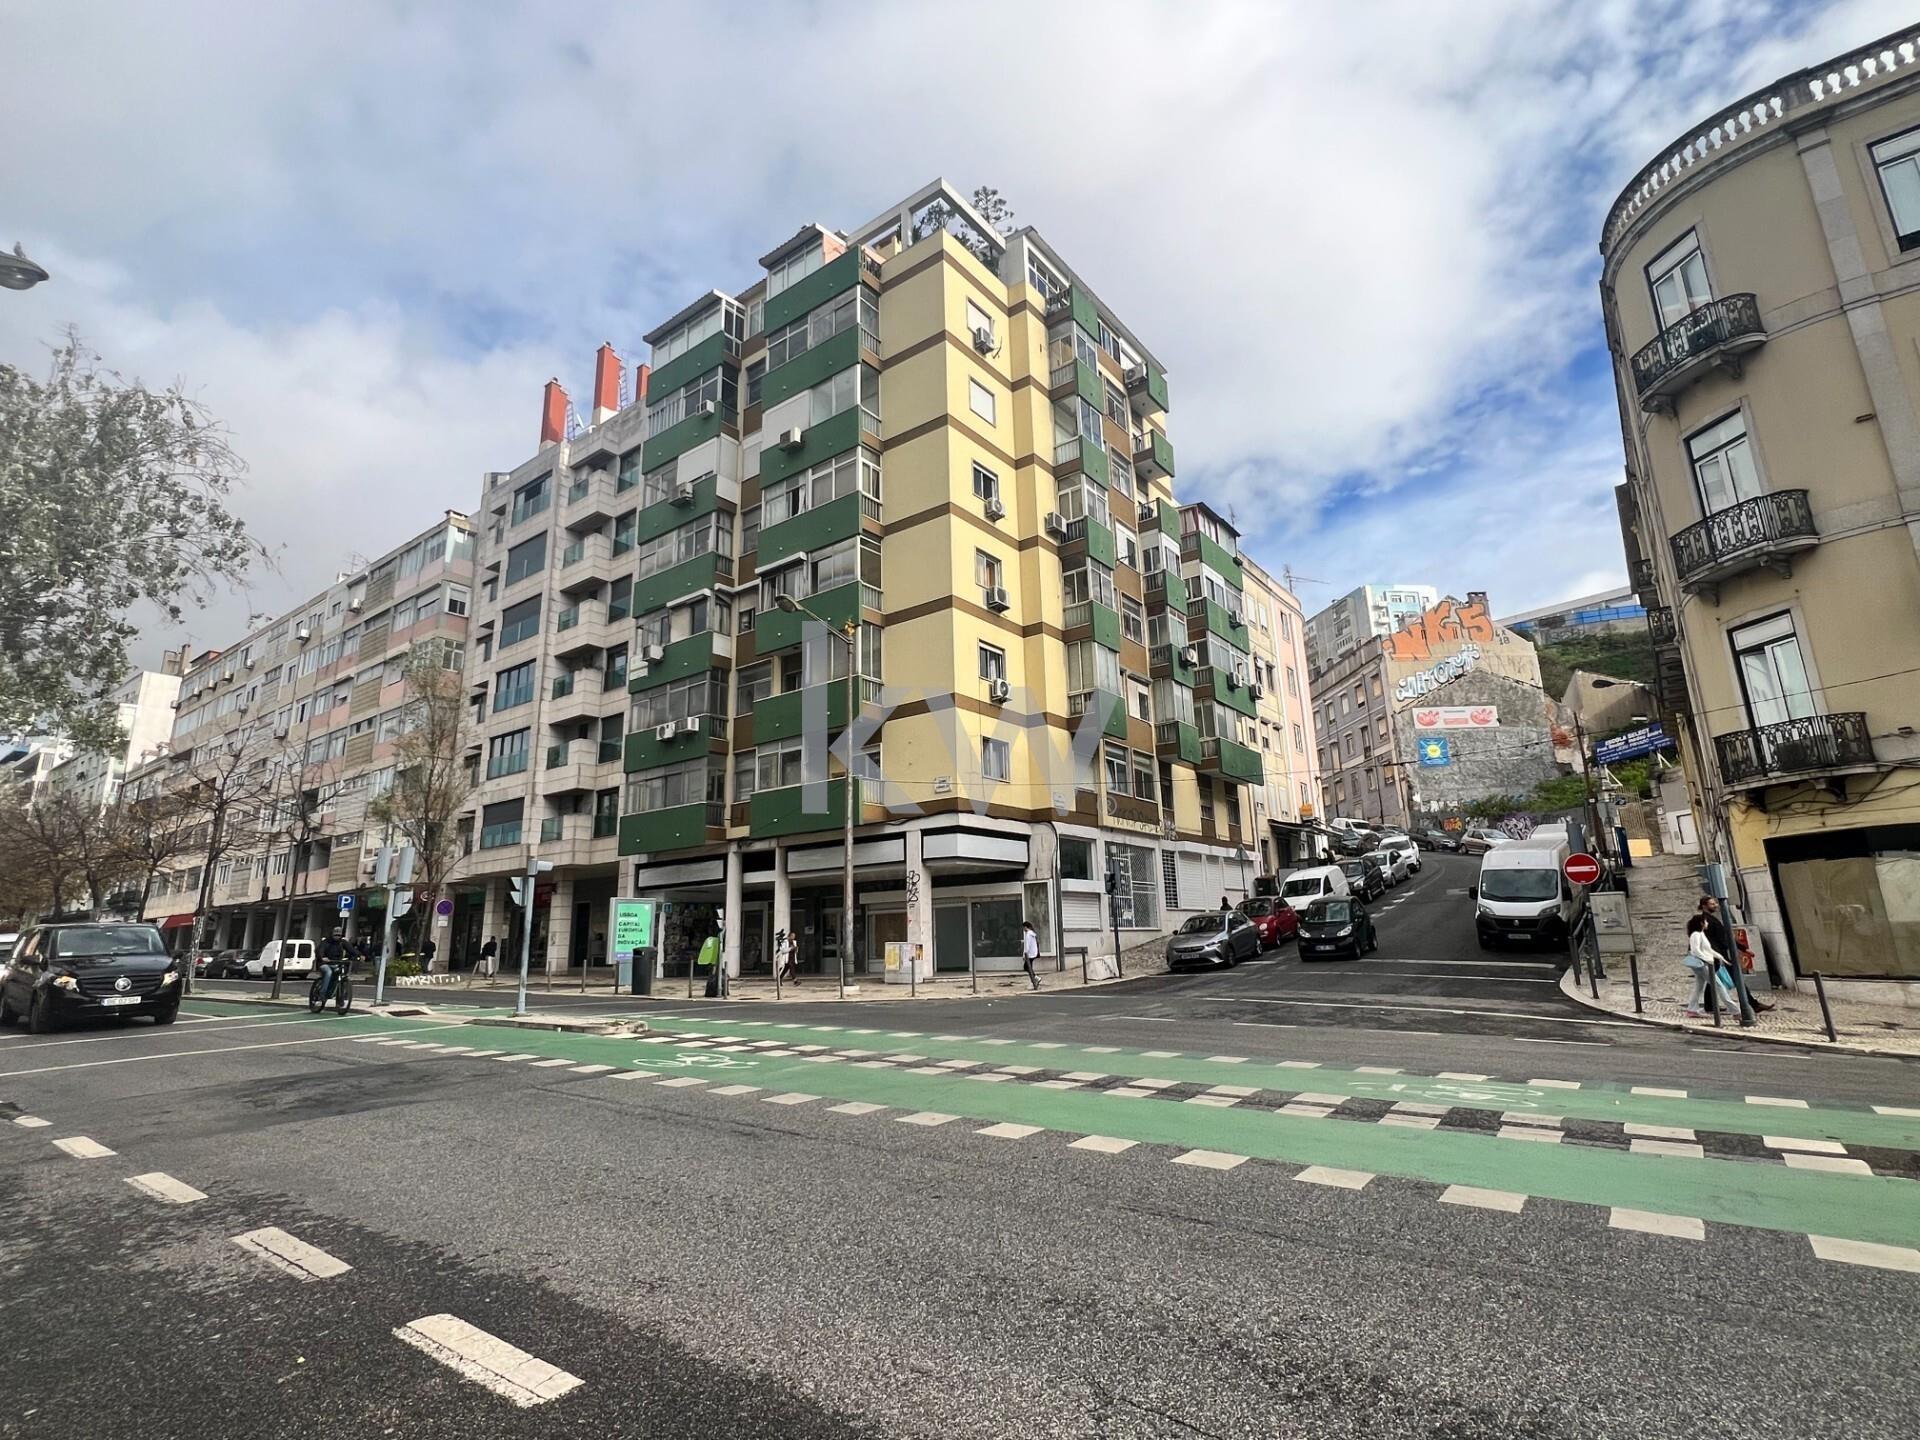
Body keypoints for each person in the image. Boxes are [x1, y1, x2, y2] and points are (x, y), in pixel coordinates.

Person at [1700, 896, 1772, 1011]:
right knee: (1734, 978)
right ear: (1704, 906)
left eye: (1715, 903)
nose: (1716, 906)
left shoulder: (1706, 919)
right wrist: (1742, 948)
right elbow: (1724, 938)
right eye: (1712, 904)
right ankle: (1753, 1004)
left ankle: (1709, 1006)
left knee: (1713, 980)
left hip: (1714, 955)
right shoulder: (1709, 920)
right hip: (1718, 956)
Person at [1683, 914, 1737, 1018]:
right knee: (1719, 985)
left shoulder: (1701, 934)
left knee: (1699, 986)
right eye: (1706, 921)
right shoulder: (1696, 935)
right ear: (1701, 923)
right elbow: (1695, 951)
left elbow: (1708, 950)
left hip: (1704, 964)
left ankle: (1691, 1009)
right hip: (1702, 965)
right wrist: (1708, 960)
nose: (1707, 923)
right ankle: (1735, 1010)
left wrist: (1721, 957)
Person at [317, 929, 346, 1003]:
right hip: (324, 963)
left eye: (339, 935)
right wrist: (322, 957)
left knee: (340, 975)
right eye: (335, 935)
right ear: (332, 934)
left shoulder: (342, 942)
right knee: (328, 972)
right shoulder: (326, 942)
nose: (337, 937)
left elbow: (351, 949)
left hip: (335, 963)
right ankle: (322, 993)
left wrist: (359, 955)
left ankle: (339, 998)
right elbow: (320, 950)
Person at [1021, 920, 1041, 991]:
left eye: (1023, 928)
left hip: (1029, 954)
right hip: (1033, 953)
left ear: (1025, 927)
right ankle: (1034, 981)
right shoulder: (1032, 934)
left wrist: (1025, 954)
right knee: (1028, 967)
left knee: (1027, 967)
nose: (1023, 929)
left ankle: (1035, 979)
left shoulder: (1028, 934)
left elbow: (1027, 945)